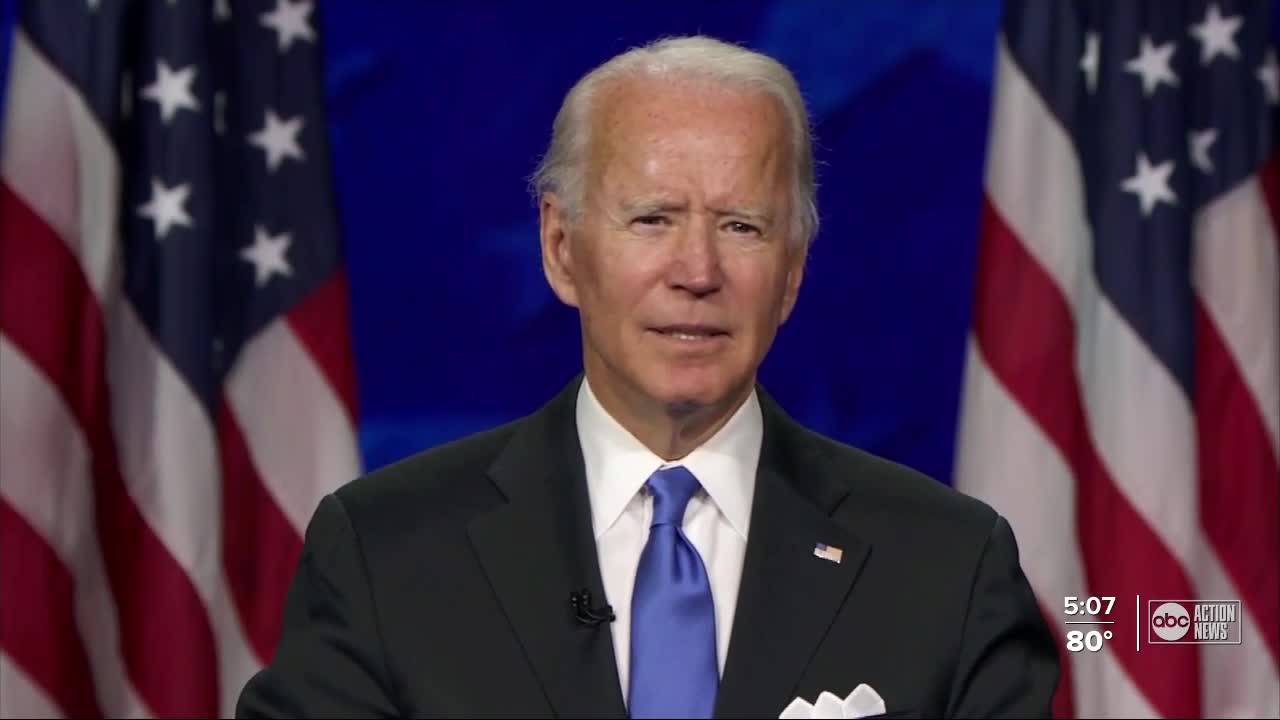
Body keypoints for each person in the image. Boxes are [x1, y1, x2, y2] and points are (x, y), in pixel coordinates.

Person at [236, 34, 1060, 719]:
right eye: (652, 219)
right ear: (562, 248)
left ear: (794, 270)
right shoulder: (387, 552)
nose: (696, 270)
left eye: (742, 225)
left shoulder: (948, 566)